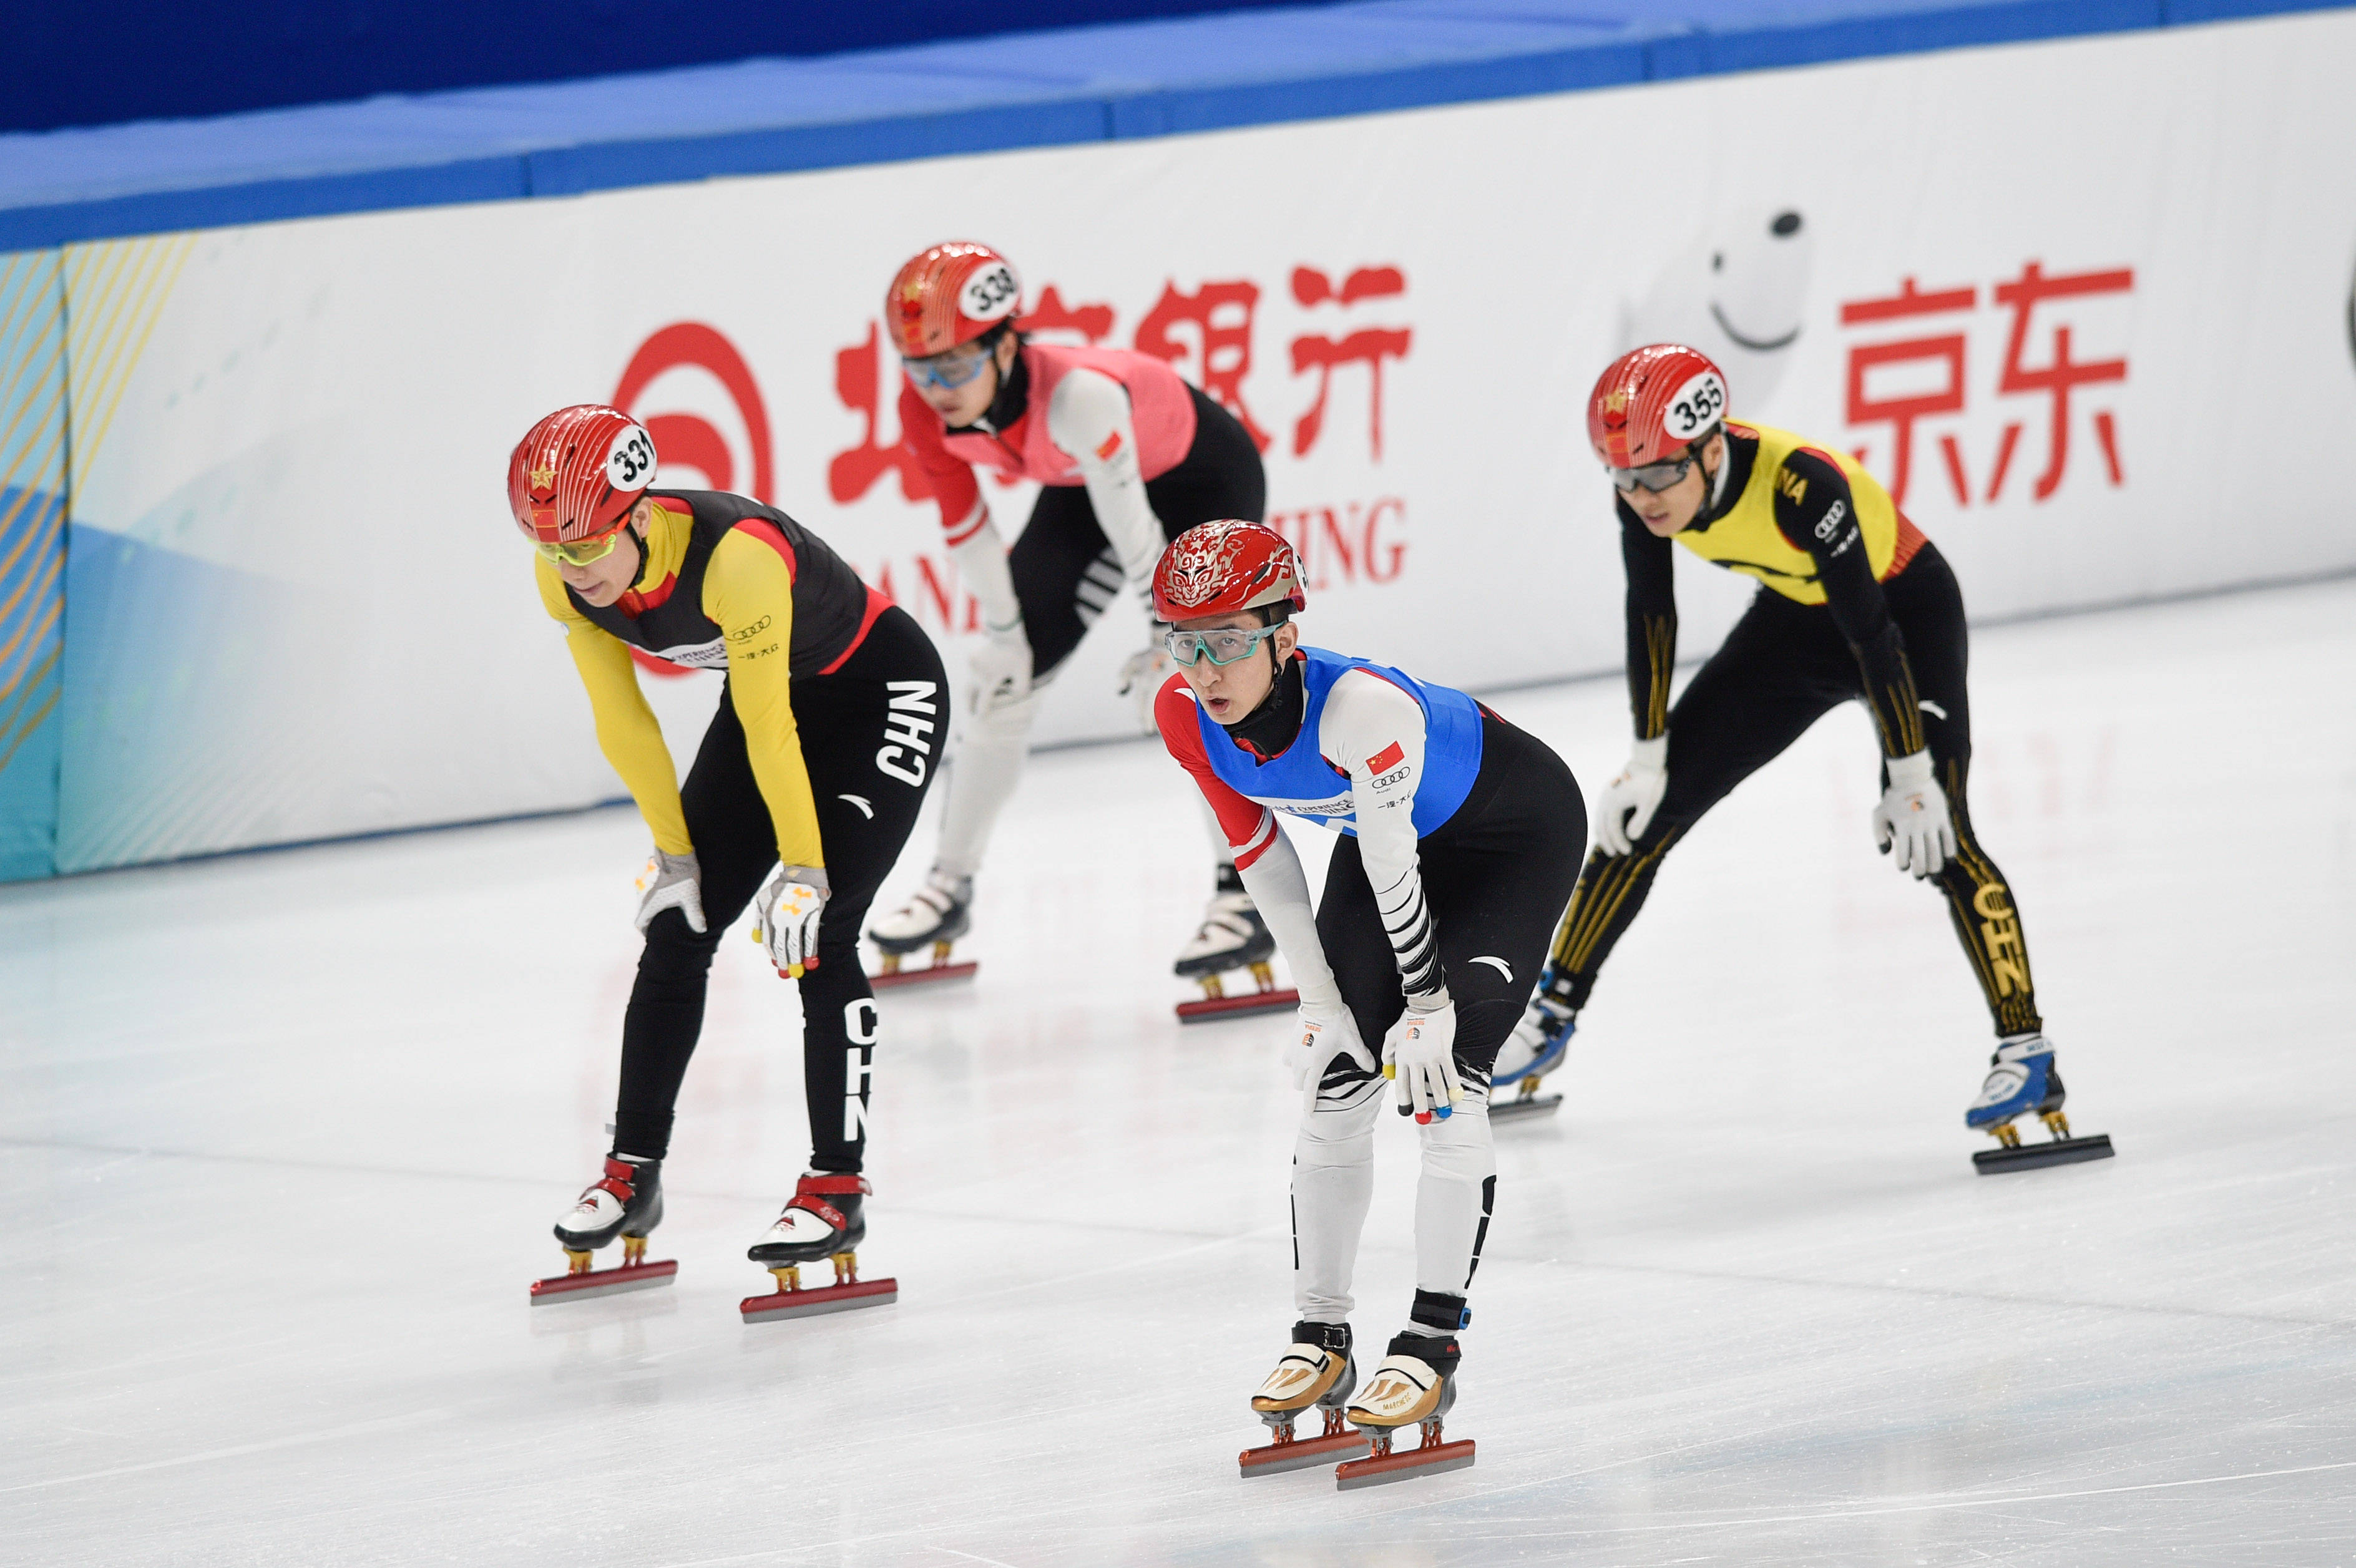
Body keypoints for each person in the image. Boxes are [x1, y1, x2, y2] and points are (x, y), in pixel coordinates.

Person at [1497, 344, 2078, 1155]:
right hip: (1794, 626)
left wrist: (1909, 772)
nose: (1641, 499)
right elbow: (1649, 612)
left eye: (1658, 476)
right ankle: (1550, 1015)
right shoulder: (1643, 484)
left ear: (1708, 447)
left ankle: (2025, 1051)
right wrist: (1648, 756)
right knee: (1642, 817)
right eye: (1622, 482)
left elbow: (1870, 631)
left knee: (1940, 833)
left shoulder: (1802, 484)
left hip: (1900, 617)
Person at [1150, 520, 1586, 1473]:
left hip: (1511, 841)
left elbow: (1392, 867)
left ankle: (1430, 1343)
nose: (1203, 667)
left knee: (1446, 1081)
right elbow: (1259, 859)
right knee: (1334, 1078)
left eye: (1226, 638)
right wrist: (1319, 1002)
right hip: (1389, 842)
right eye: (1181, 639)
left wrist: (1425, 1003)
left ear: (1283, 637)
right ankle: (1321, 1334)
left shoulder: (1362, 712)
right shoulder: (1183, 711)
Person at [510, 404, 946, 1292]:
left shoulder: (735, 555)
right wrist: (675, 858)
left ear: (635, 514)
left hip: (878, 696)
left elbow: (766, 717)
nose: (572, 570)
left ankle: (835, 1185)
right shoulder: (560, 566)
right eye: (555, 551)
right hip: (772, 713)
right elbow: (620, 718)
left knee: (819, 934)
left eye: (587, 549)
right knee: (679, 928)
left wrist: (805, 871)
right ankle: (631, 1173)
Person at [867, 241, 1280, 998]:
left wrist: (1165, 637)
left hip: (1199, 482)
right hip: (1083, 485)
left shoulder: (1080, 396)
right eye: (921, 371)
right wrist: (1004, 636)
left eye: (955, 366)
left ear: (1005, 343)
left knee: (1203, 686)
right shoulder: (922, 408)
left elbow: (1134, 528)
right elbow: (969, 529)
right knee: (1002, 682)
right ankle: (948, 884)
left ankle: (1243, 895)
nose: (938, 390)